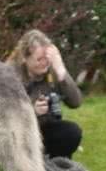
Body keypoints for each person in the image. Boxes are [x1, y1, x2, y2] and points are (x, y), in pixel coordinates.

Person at [6, 29, 83, 159]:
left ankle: (45, 157)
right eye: (39, 59)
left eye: (46, 58)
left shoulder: (52, 70)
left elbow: (76, 102)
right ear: (25, 58)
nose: (44, 63)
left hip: (43, 129)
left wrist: (61, 73)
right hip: (16, 133)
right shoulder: (8, 75)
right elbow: (5, 117)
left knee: (72, 132)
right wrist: (32, 111)